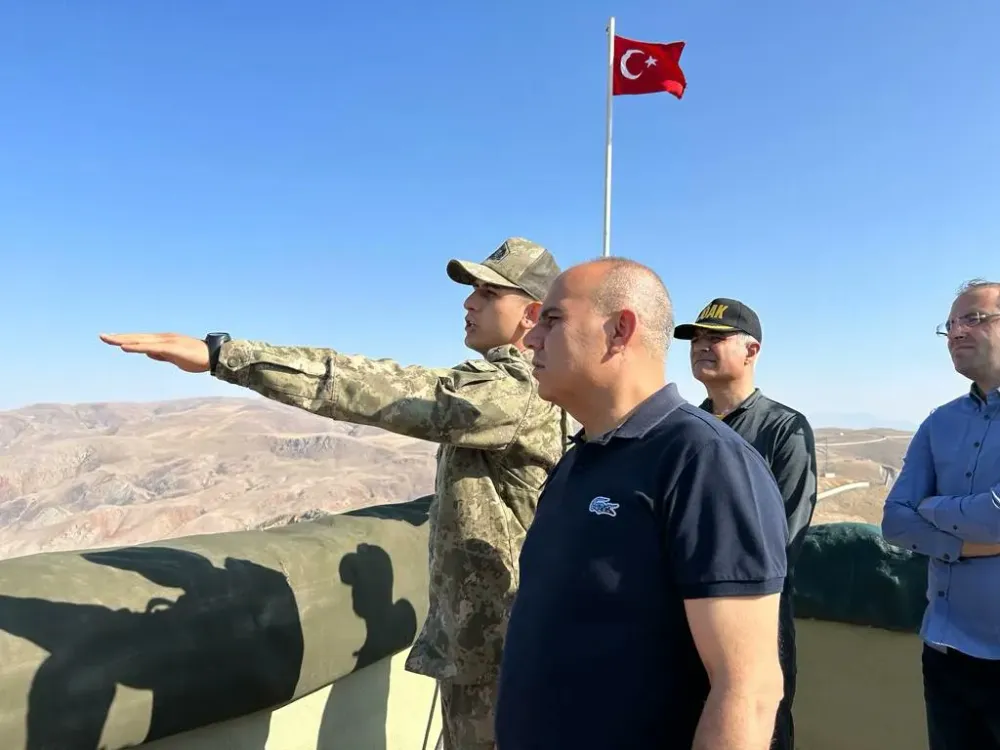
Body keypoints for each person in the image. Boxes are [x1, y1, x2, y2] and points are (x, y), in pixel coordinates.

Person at [99, 237, 569, 750]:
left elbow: (378, 388)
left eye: (488, 293)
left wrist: (225, 356)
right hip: (501, 645)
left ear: (530, 314)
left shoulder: (511, 391)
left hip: (499, 654)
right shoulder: (536, 387)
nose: (469, 302)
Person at [494, 257, 789, 750]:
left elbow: (748, 690)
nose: (531, 340)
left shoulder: (704, 461)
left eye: (553, 319)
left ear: (620, 331)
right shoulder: (578, 459)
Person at [674, 296, 817, 750]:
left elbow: (785, 535)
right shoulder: (682, 429)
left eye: (716, 338)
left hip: (754, 620)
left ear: (752, 350)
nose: (702, 346)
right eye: (696, 338)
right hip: (684, 619)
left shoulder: (783, 428)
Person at [881, 278, 1000, 749]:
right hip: (946, 653)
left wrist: (931, 507)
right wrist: (968, 545)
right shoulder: (940, 421)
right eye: (950, 325)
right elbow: (895, 521)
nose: (956, 332)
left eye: (974, 318)